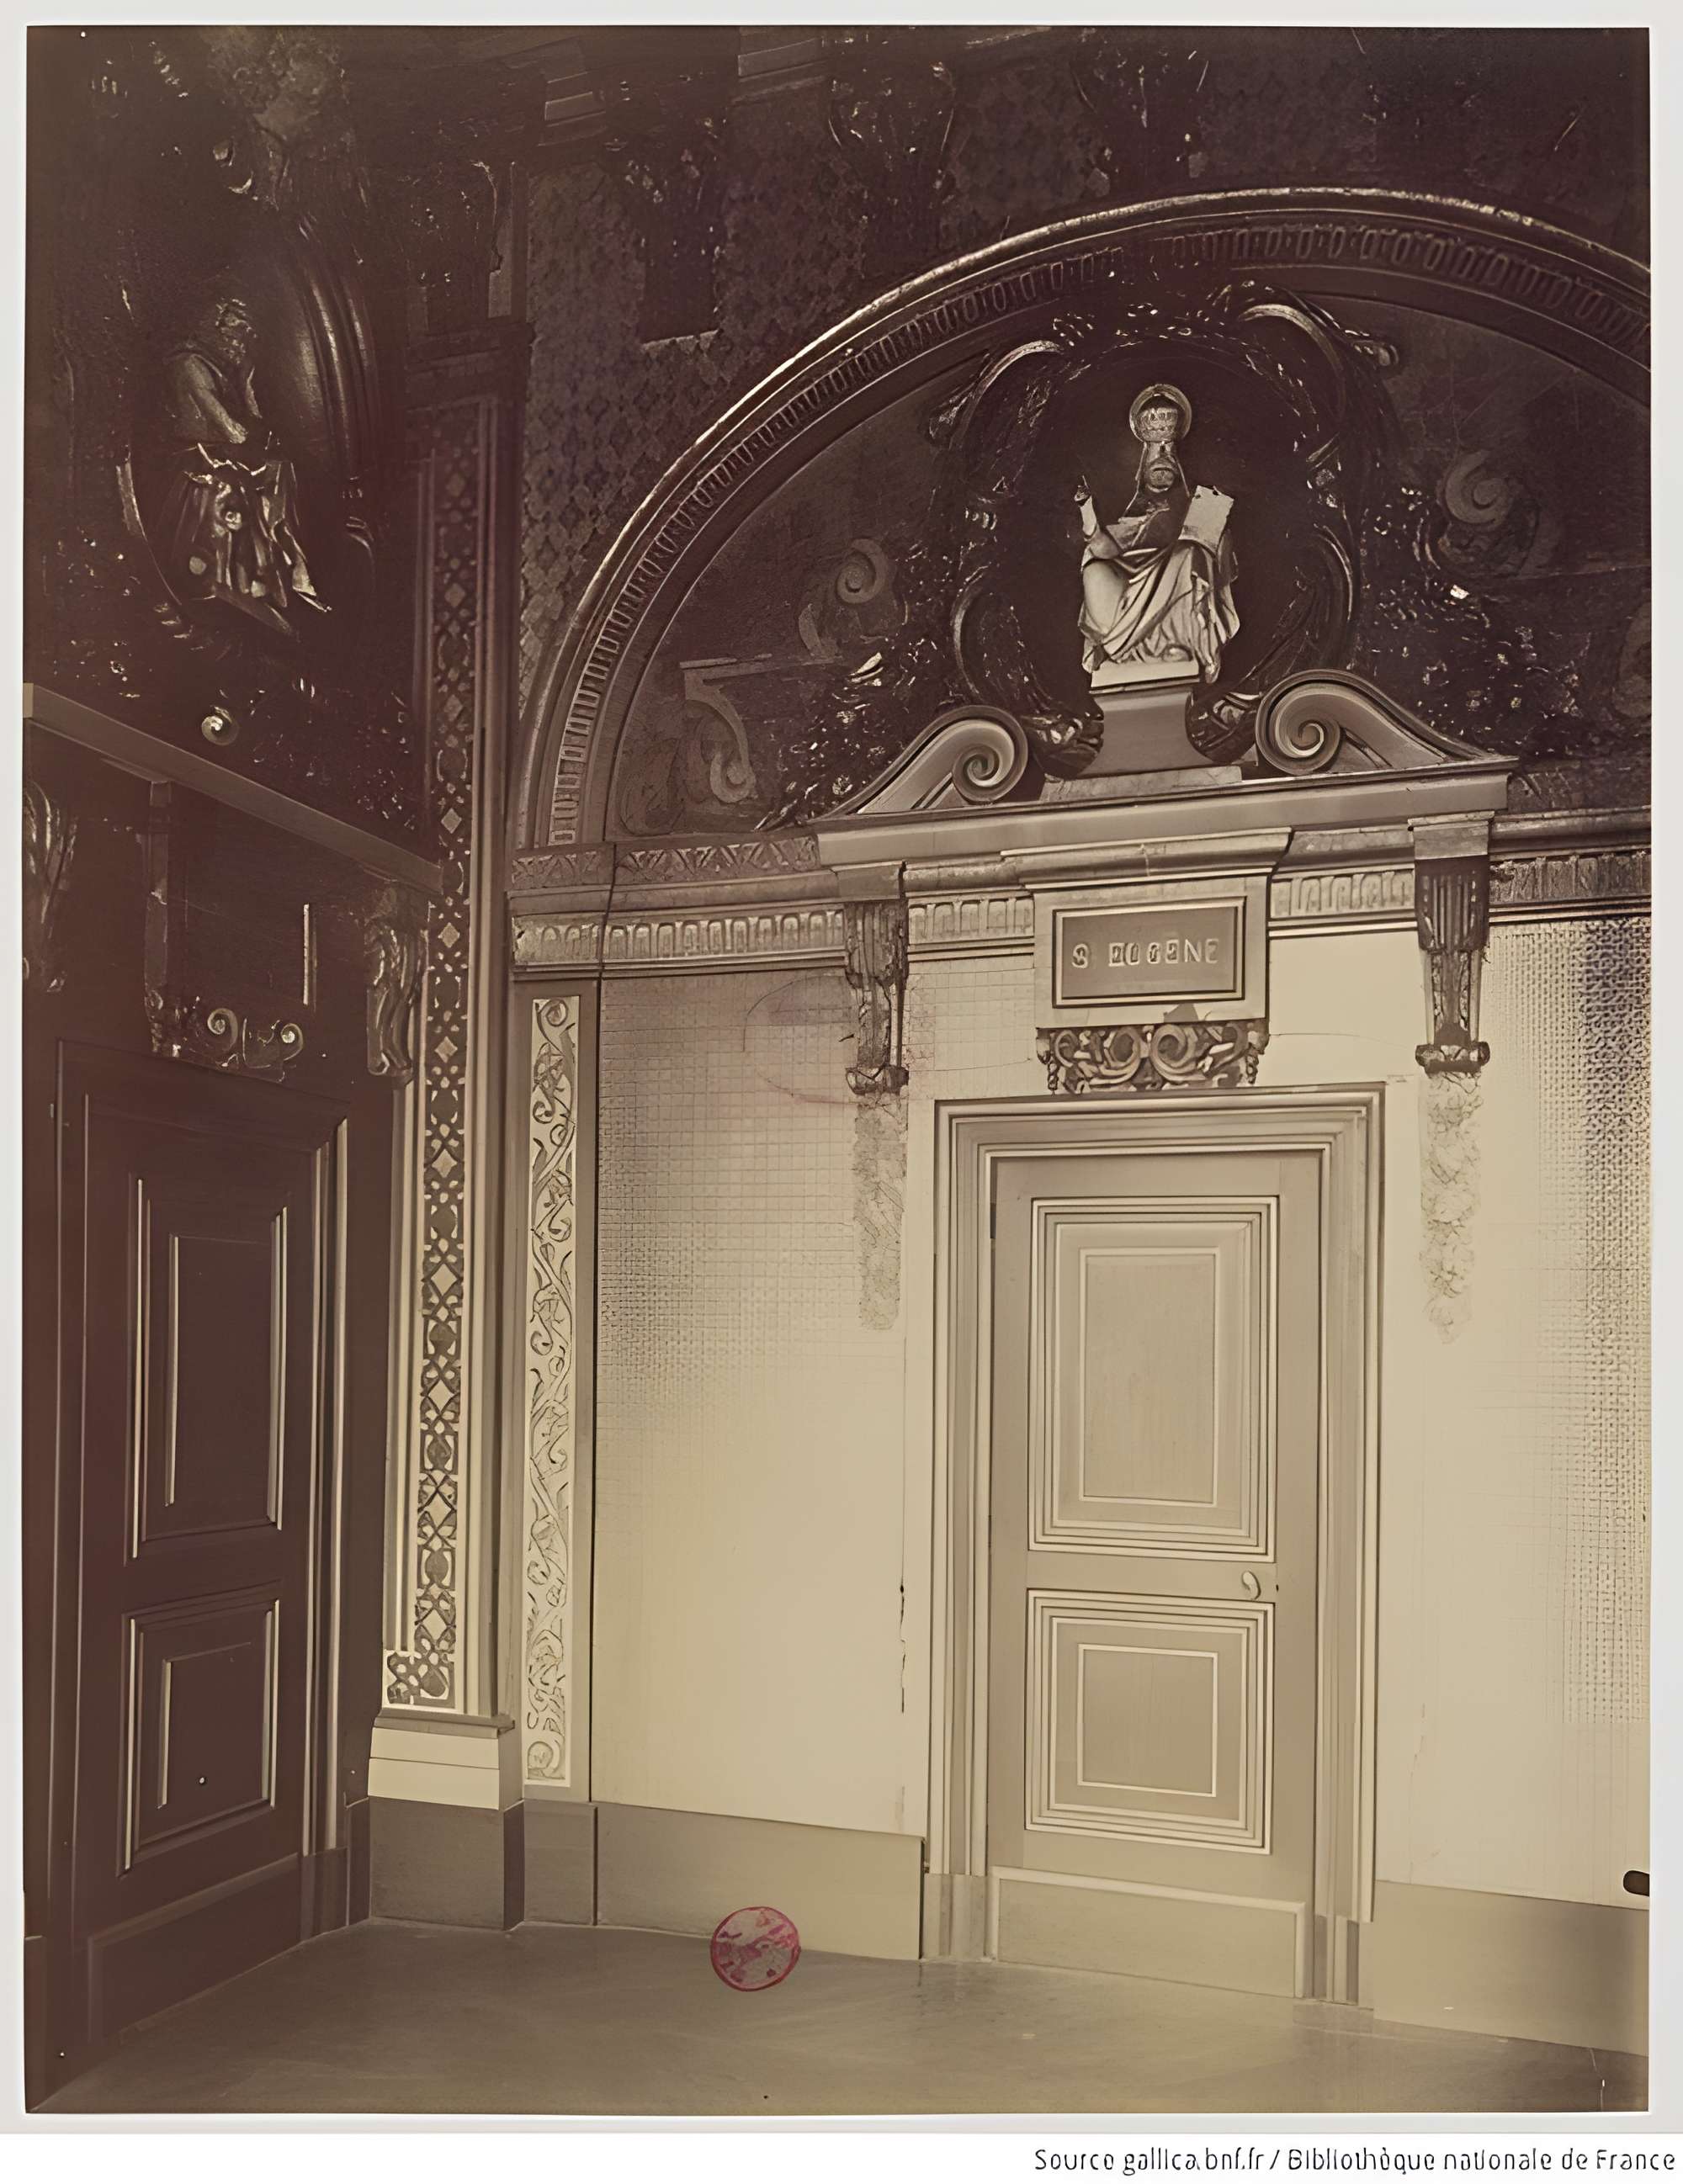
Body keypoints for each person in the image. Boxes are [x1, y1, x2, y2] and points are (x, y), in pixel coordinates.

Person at [151, 289, 327, 640]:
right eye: (235, 330)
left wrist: (246, 383)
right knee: (243, 483)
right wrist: (250, 438)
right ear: (215, 325)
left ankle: (285, 575)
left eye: (246, 333)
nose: (240, 340)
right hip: (196, 456)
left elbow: (251, 421)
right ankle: (241, 580)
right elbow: (231, 430)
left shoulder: (225, 368)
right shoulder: (190, 365)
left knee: (282, 470)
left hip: (224, 451)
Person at [1075, 382, 1239, 687]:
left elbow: (1212, 546)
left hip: (1179, 574)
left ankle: (1185, 643)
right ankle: (1124, 648)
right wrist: (1086, 508)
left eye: (1167, 472)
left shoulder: (1194, 509)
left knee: (1190, 555)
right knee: (1094, 571)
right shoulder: (1134, 515)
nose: (1162, 477)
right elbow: (1101, 549)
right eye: (1156, 473)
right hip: (1129, 585)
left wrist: (1214, 533)